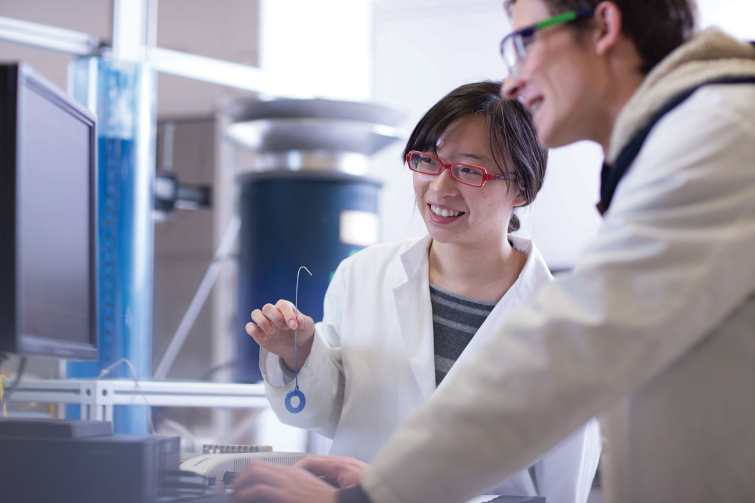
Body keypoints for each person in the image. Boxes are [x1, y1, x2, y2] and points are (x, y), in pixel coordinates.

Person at [232, 0, 755, 502]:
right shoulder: (695, 132)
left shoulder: (720, 134)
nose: (514, 80)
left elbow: (566, 360)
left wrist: (377, 494)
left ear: (604, 27)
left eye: (524, 42)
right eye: (429, 163)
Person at [243, 81, 601, 502]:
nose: (440, 188)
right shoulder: (363, 275)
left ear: (522, 188)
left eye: (469, 170)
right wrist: (298, 353)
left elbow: (562, 493)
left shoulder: (567, 330)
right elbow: (326, 414)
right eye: (428, 161)